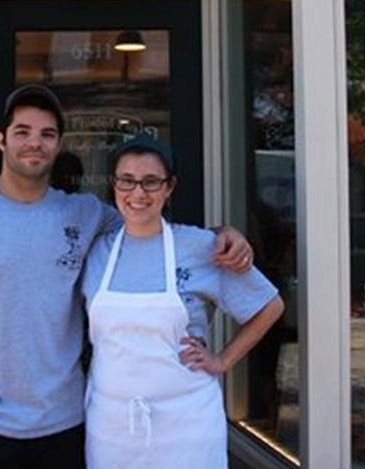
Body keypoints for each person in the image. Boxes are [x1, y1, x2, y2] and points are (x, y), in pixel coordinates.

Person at [0, 84, 253, 469]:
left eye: (47, 134)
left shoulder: (86, 213)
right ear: (1, 140)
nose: (34, 143)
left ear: (59, 145)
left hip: (66, 424)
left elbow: (147, 220)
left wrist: (222, 233)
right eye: (23, 132)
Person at [81, 134, 284, 469]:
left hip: (188, 424)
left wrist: (222, 360)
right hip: (111, 425)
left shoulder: (202, 246)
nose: (137, 194)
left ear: (169, 187)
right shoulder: (96, 249)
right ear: (114, 184)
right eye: (127, 181)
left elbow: (270, 306)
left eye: (151, 182)